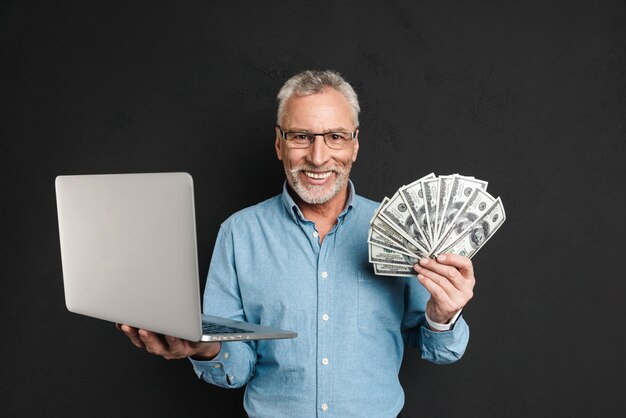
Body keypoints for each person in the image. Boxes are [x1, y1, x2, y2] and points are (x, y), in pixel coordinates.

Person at [119, 70, 476, 417]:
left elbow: (437, 350)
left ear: (355, 145)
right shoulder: (239, 234)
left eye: (335, 136)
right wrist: (205, 348)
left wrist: (443, 317)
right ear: (279, 143)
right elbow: (235, 369)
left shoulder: (402, 229)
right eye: (301, 136)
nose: (318, 157)